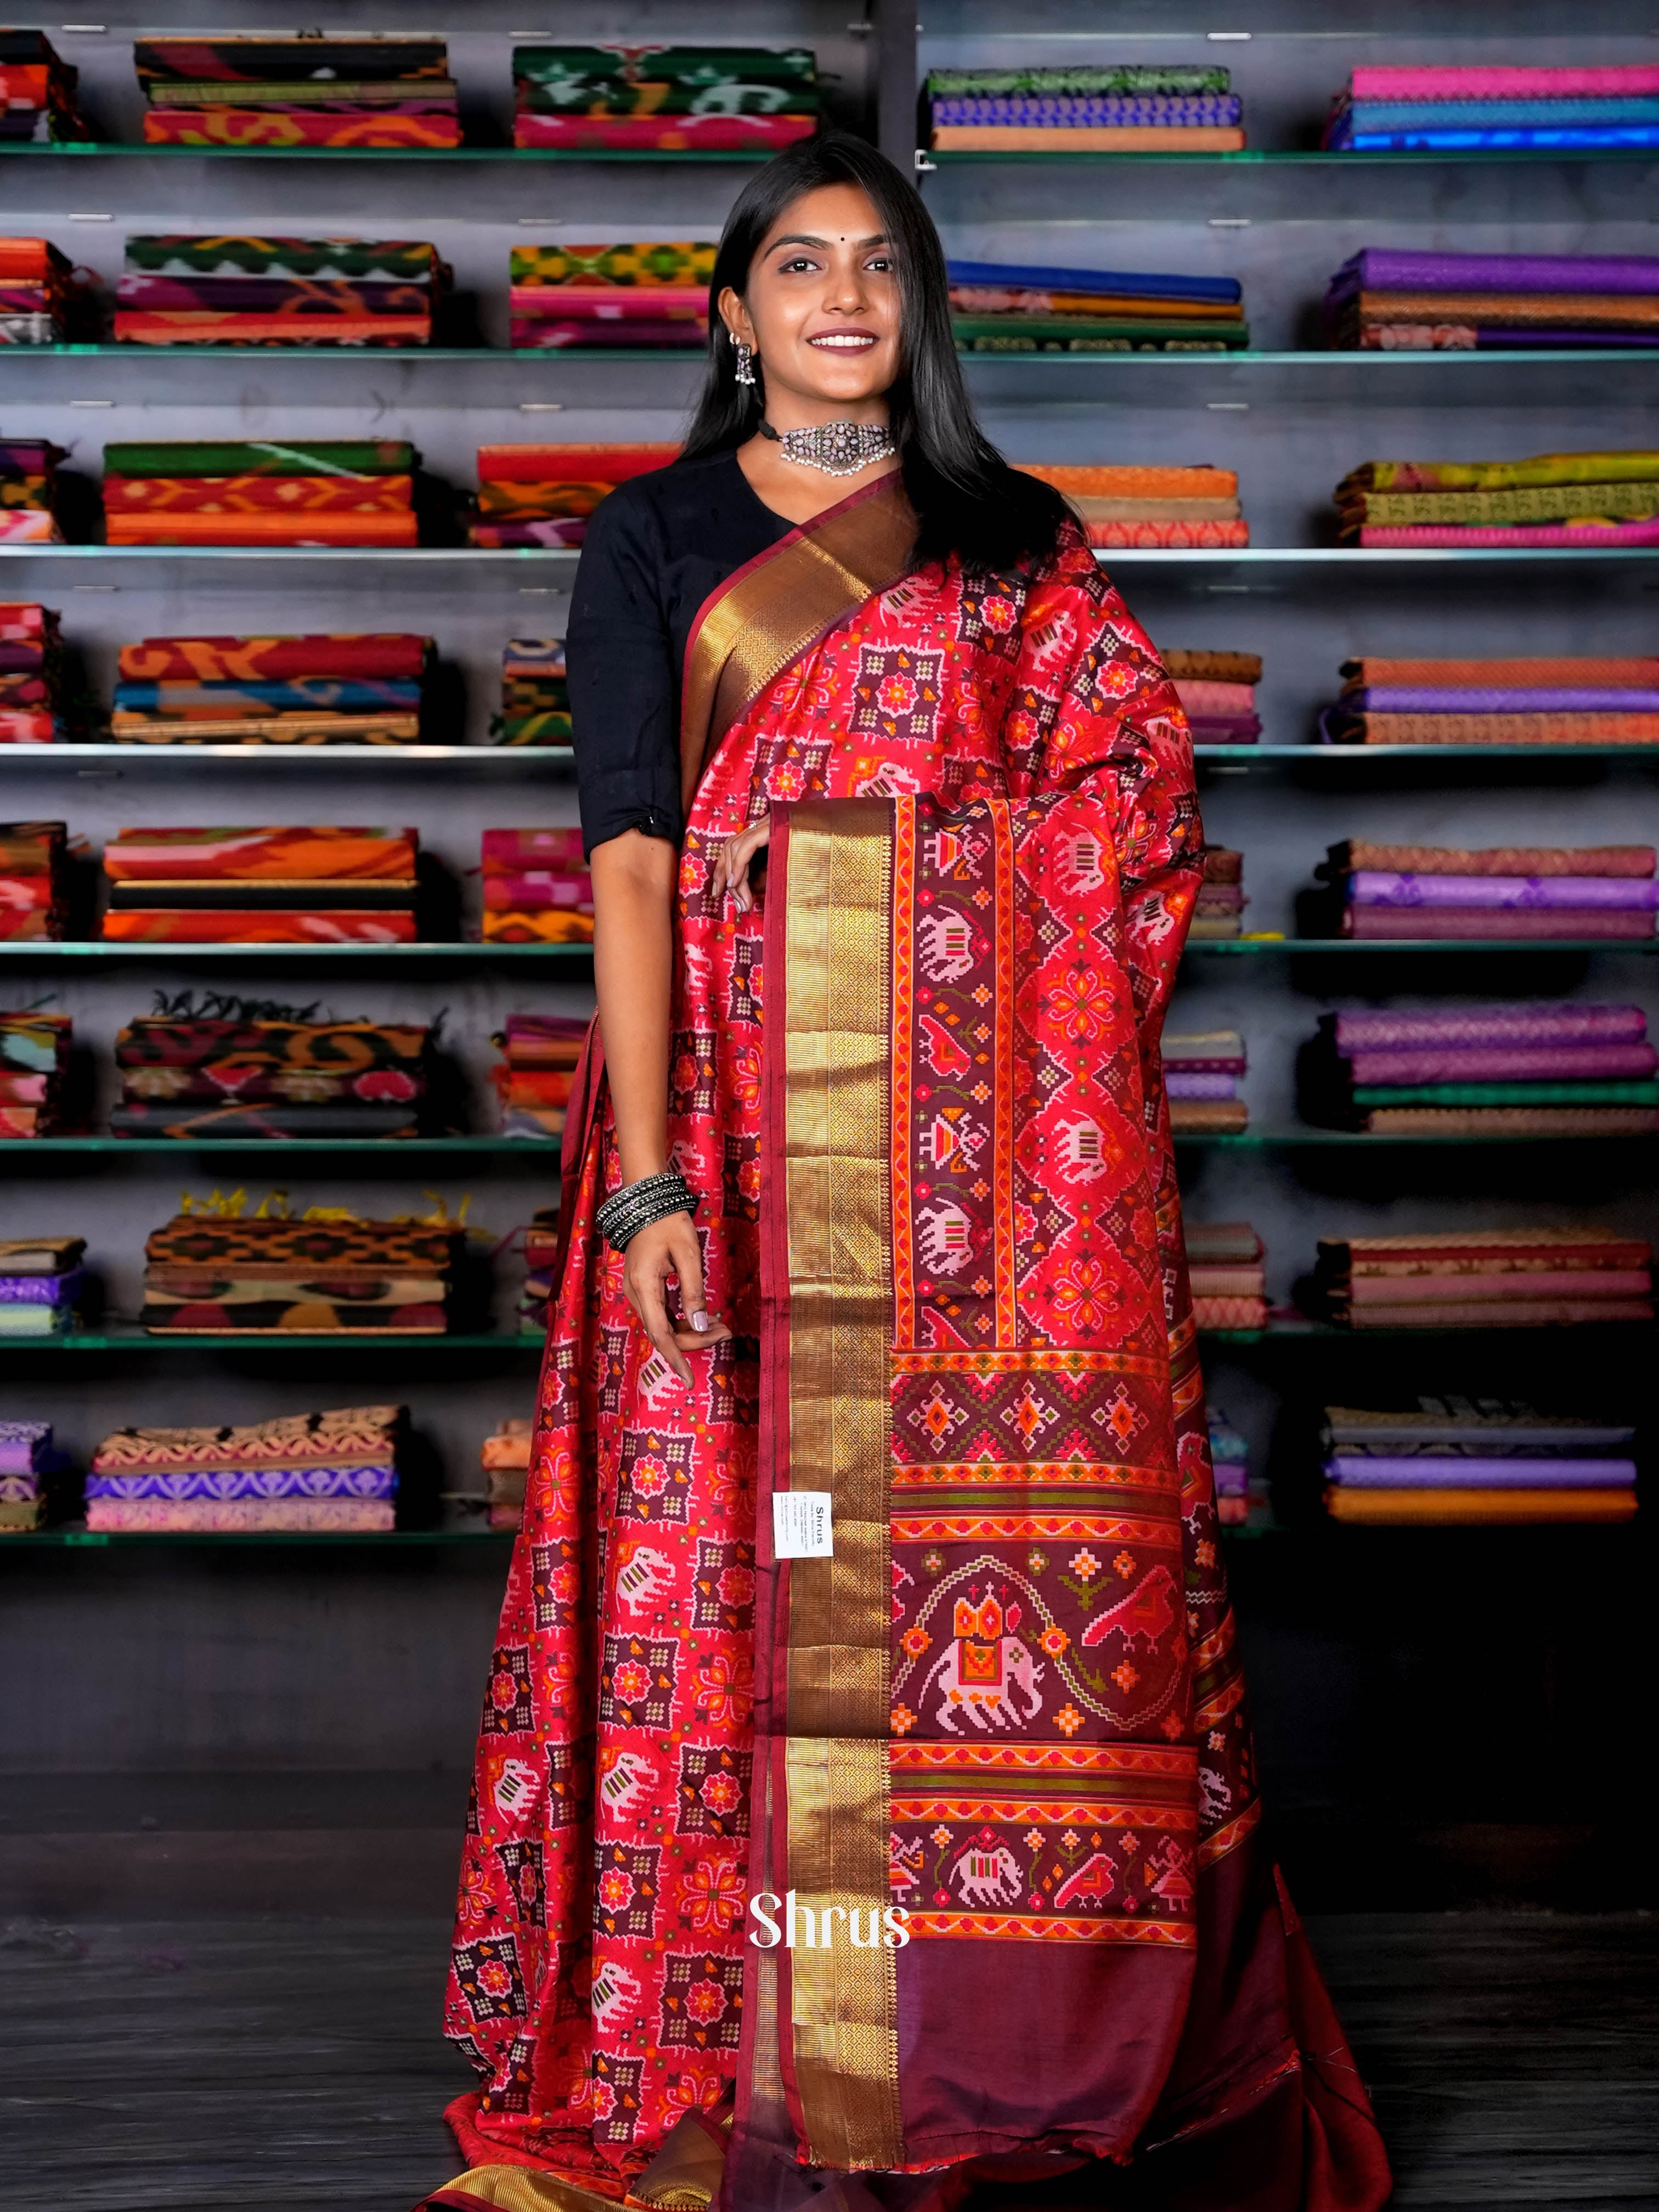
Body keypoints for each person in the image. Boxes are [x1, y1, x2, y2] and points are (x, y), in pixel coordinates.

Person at [420, 133, 1391, 2212]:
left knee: (946, 1593)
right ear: (731, 308)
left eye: (879, 266)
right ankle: (743, 2044)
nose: (841, 299)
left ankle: (973, 2052)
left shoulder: (1014, 539)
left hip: (981, 1205)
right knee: (738, 1585)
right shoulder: (656, 541)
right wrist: (656, 1181)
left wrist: (878, 882)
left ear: (917, 307)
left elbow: (1130, 811)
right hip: (735, 1153)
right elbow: (630, 855)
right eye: (799, 265)